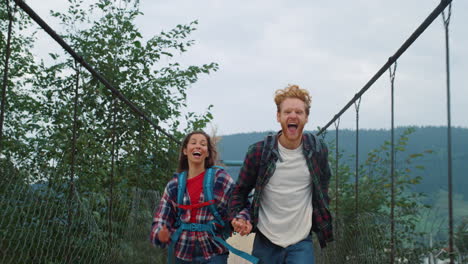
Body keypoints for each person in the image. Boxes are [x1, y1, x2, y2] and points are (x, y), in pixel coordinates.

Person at [228, 84, 333, 264]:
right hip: (266, 240)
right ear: (279, 117)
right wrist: (238, 216)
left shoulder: (318, 151)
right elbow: (239, 192)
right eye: (287, 112)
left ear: (306, 118)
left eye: (299, 112)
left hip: (300, 241)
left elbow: (323, 186)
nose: (293, 115)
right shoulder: (258, 152)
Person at [150, 130, 250, 264]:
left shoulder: (220, 179)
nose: (198, 146)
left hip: (214, 251)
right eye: (193, 143)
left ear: (207, 153)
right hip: (182, 252)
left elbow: (240, 203)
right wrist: (159, 233)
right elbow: (162, 217)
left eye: (203, 144)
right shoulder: (174, 185)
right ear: (185, 150)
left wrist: (241, 219)